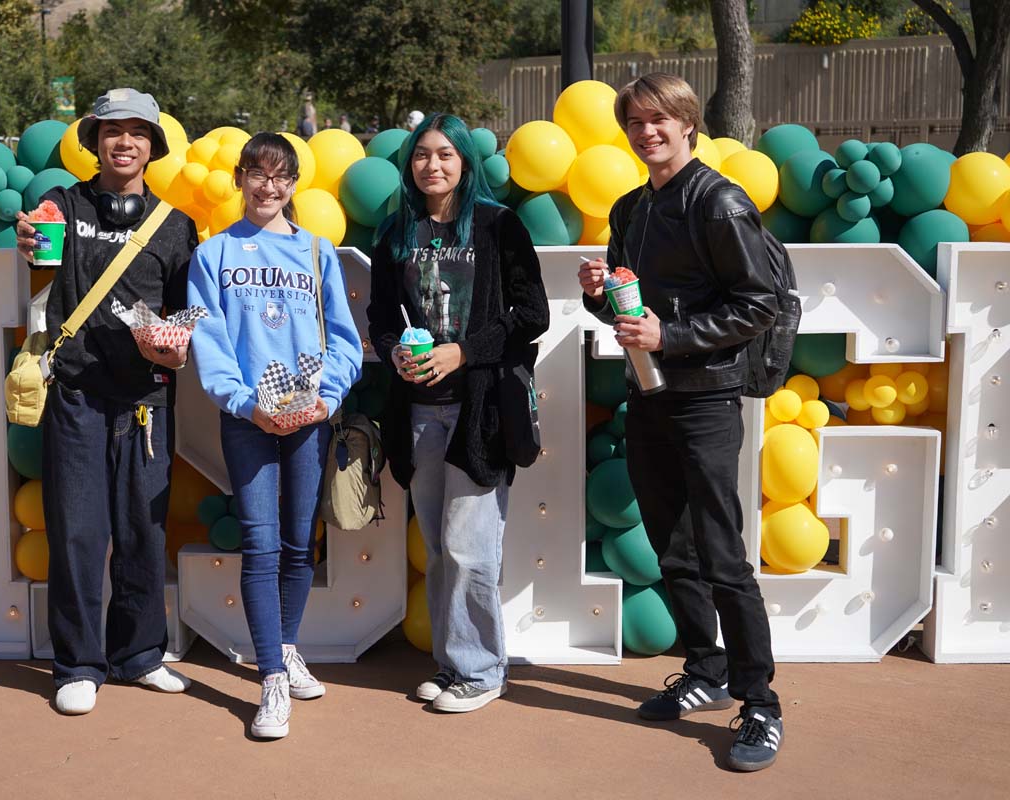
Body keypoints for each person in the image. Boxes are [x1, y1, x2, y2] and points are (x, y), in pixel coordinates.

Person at [577, 72, 784, 772]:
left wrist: (673, 337)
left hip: (705, 399)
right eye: (635, 122)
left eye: (659, 119)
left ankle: (761, 705)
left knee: (723, 555)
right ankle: (706, 670)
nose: (647, 133)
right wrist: (601, 298)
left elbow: (759, 302)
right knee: (672, 548)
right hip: (650, 397)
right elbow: (630, 318)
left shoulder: (719, 201)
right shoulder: (630, 208)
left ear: (688, 123)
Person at [14, 88, 196, 716]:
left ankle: (141, 655)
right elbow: (37, 244)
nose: (124, 142)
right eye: (111, 131)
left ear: (153, 145)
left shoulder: (175, 225)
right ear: (94, 141)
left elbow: (182, 314)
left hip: (148, 399)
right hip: (76, 394)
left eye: (137, 133)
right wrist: (28, 235)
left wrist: (176, 346)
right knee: (77, 533)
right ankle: (77, 663)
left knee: (144, 531)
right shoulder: (62, 203)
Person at [367, 113, 549, 714]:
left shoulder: (499, 226)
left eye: (445, 154)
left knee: (472, 547)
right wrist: (395, 348)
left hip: (480, 414)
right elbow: (381, 317)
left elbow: (532, 315)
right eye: (422, 155)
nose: (432, 165)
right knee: (441, 549)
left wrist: (463, 351)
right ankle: (453, 664)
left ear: (465, 162)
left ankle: (482, 672)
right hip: (418, 413)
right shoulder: (396, 232)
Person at [187, 133, 363, 739]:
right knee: (260, 543)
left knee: (297, 542)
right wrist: (243, 403)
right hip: (247, 421)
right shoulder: (212, 256)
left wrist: (327, 398)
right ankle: (270, 681)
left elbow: (344, 341)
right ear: (239, 179)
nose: (269, 186)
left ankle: (286, 647)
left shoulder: (318, 253)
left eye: (281, 176)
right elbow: (207, 341)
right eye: (257, 174)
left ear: (295, 185)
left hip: (309, 419)